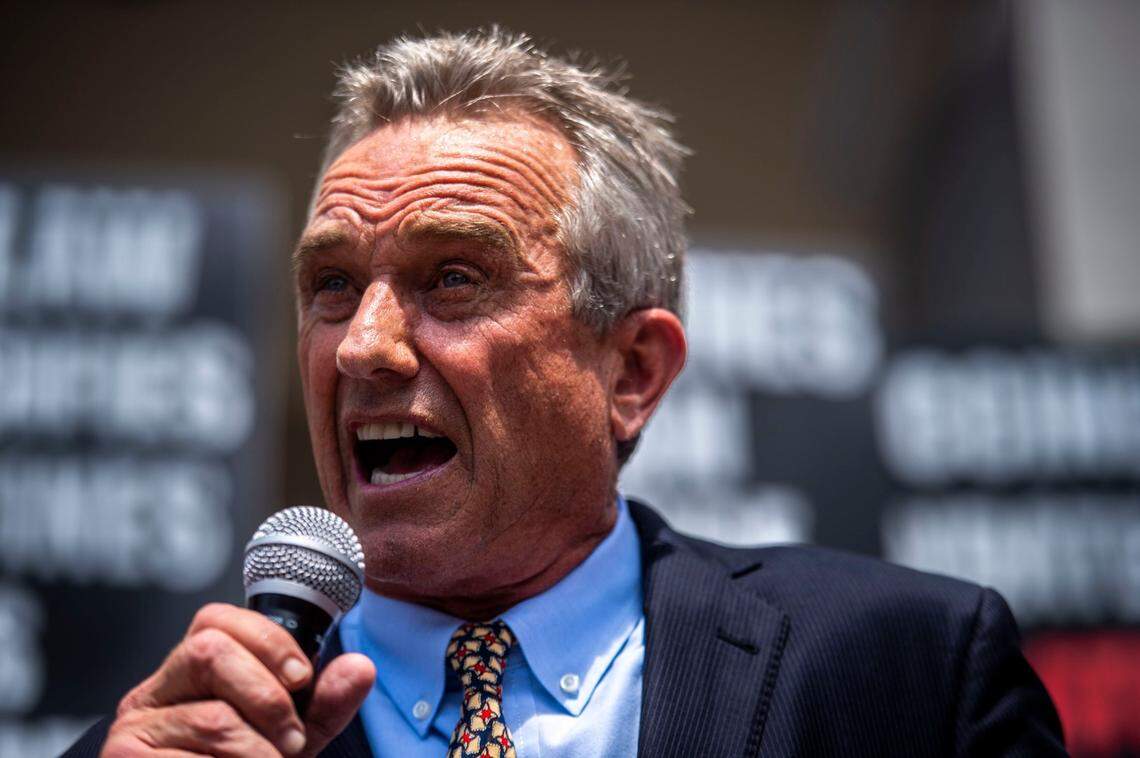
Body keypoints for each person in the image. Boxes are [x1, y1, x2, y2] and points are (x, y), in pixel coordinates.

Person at [66, 28, 1065, 757]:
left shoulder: (912, 674)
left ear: (632, 372)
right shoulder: (170, 739)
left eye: (454, 277)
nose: (363, 346)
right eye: (332, 284)